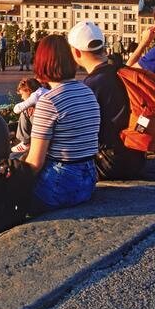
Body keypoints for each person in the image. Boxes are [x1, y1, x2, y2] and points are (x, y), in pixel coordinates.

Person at [26, 34, 100, 212]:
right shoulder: (87, 92)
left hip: (59, 184)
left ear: (41, 62)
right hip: (88, 179)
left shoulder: (49, 101)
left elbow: (35, 162)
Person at [67, 21, 146, 180]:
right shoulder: (122, 72)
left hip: (108, 163)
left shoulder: (91, 84)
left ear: (76, 52)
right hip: (136, 158)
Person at [10, 78, 47, 155]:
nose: (22, 97)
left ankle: (26, 142)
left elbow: (16, 109)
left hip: (46, 129)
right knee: (29, 108)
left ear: (28, 90)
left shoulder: (36, 95)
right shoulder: (44, 91)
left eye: (22, 94)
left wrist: (29, 105)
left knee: (24, 110)